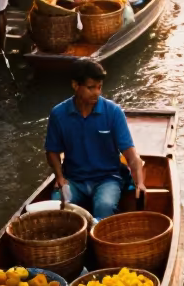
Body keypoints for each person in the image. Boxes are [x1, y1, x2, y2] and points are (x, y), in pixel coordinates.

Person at [45, 59, 145, 219]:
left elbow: (131, 155)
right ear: (75, 85)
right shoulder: (58, 114)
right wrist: (59, 178)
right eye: (91, 88)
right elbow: (52, 151)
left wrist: (139, 181)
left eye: (99, 87)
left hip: (108, 179)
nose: (97, 93)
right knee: (58, 211)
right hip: (74, 180)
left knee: (104, 206)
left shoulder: (113, 112)